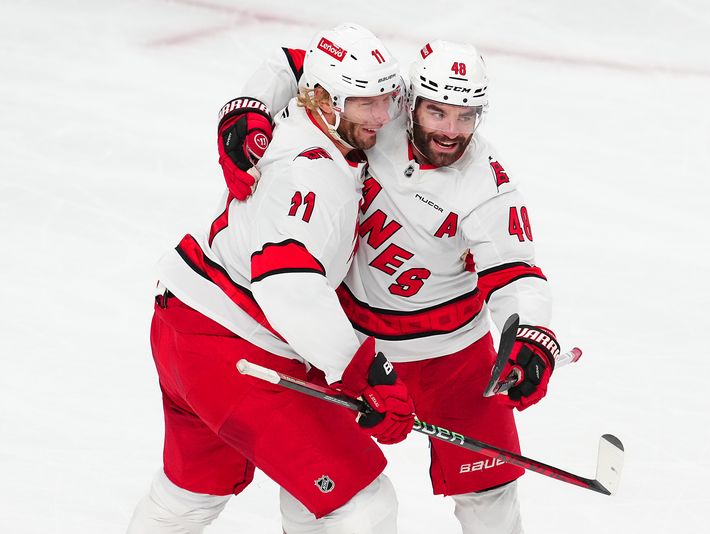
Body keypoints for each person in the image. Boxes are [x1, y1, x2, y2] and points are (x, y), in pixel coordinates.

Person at [218, 39, 562, 534]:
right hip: (354, 342)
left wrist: (531, 333)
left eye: (466, 116)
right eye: (438, 111)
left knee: (491, 494)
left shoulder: (488, 184)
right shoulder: (372, 117)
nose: (450, 131)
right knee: (316, 492)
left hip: (453, 355)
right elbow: (297, 62)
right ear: (410, 97)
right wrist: (247, 107)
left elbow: (516, 273)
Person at [128, 24, 416, 534]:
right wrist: (364, 371)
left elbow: (292, 60)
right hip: (236, 354)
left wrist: (244, 103)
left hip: (186, 327)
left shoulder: (304, 116)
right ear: (326, 101)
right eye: (365, 103)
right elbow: (289, 286)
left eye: (386, 98)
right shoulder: (311, 176)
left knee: (190, 496)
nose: (383, 116)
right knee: (363, 505)